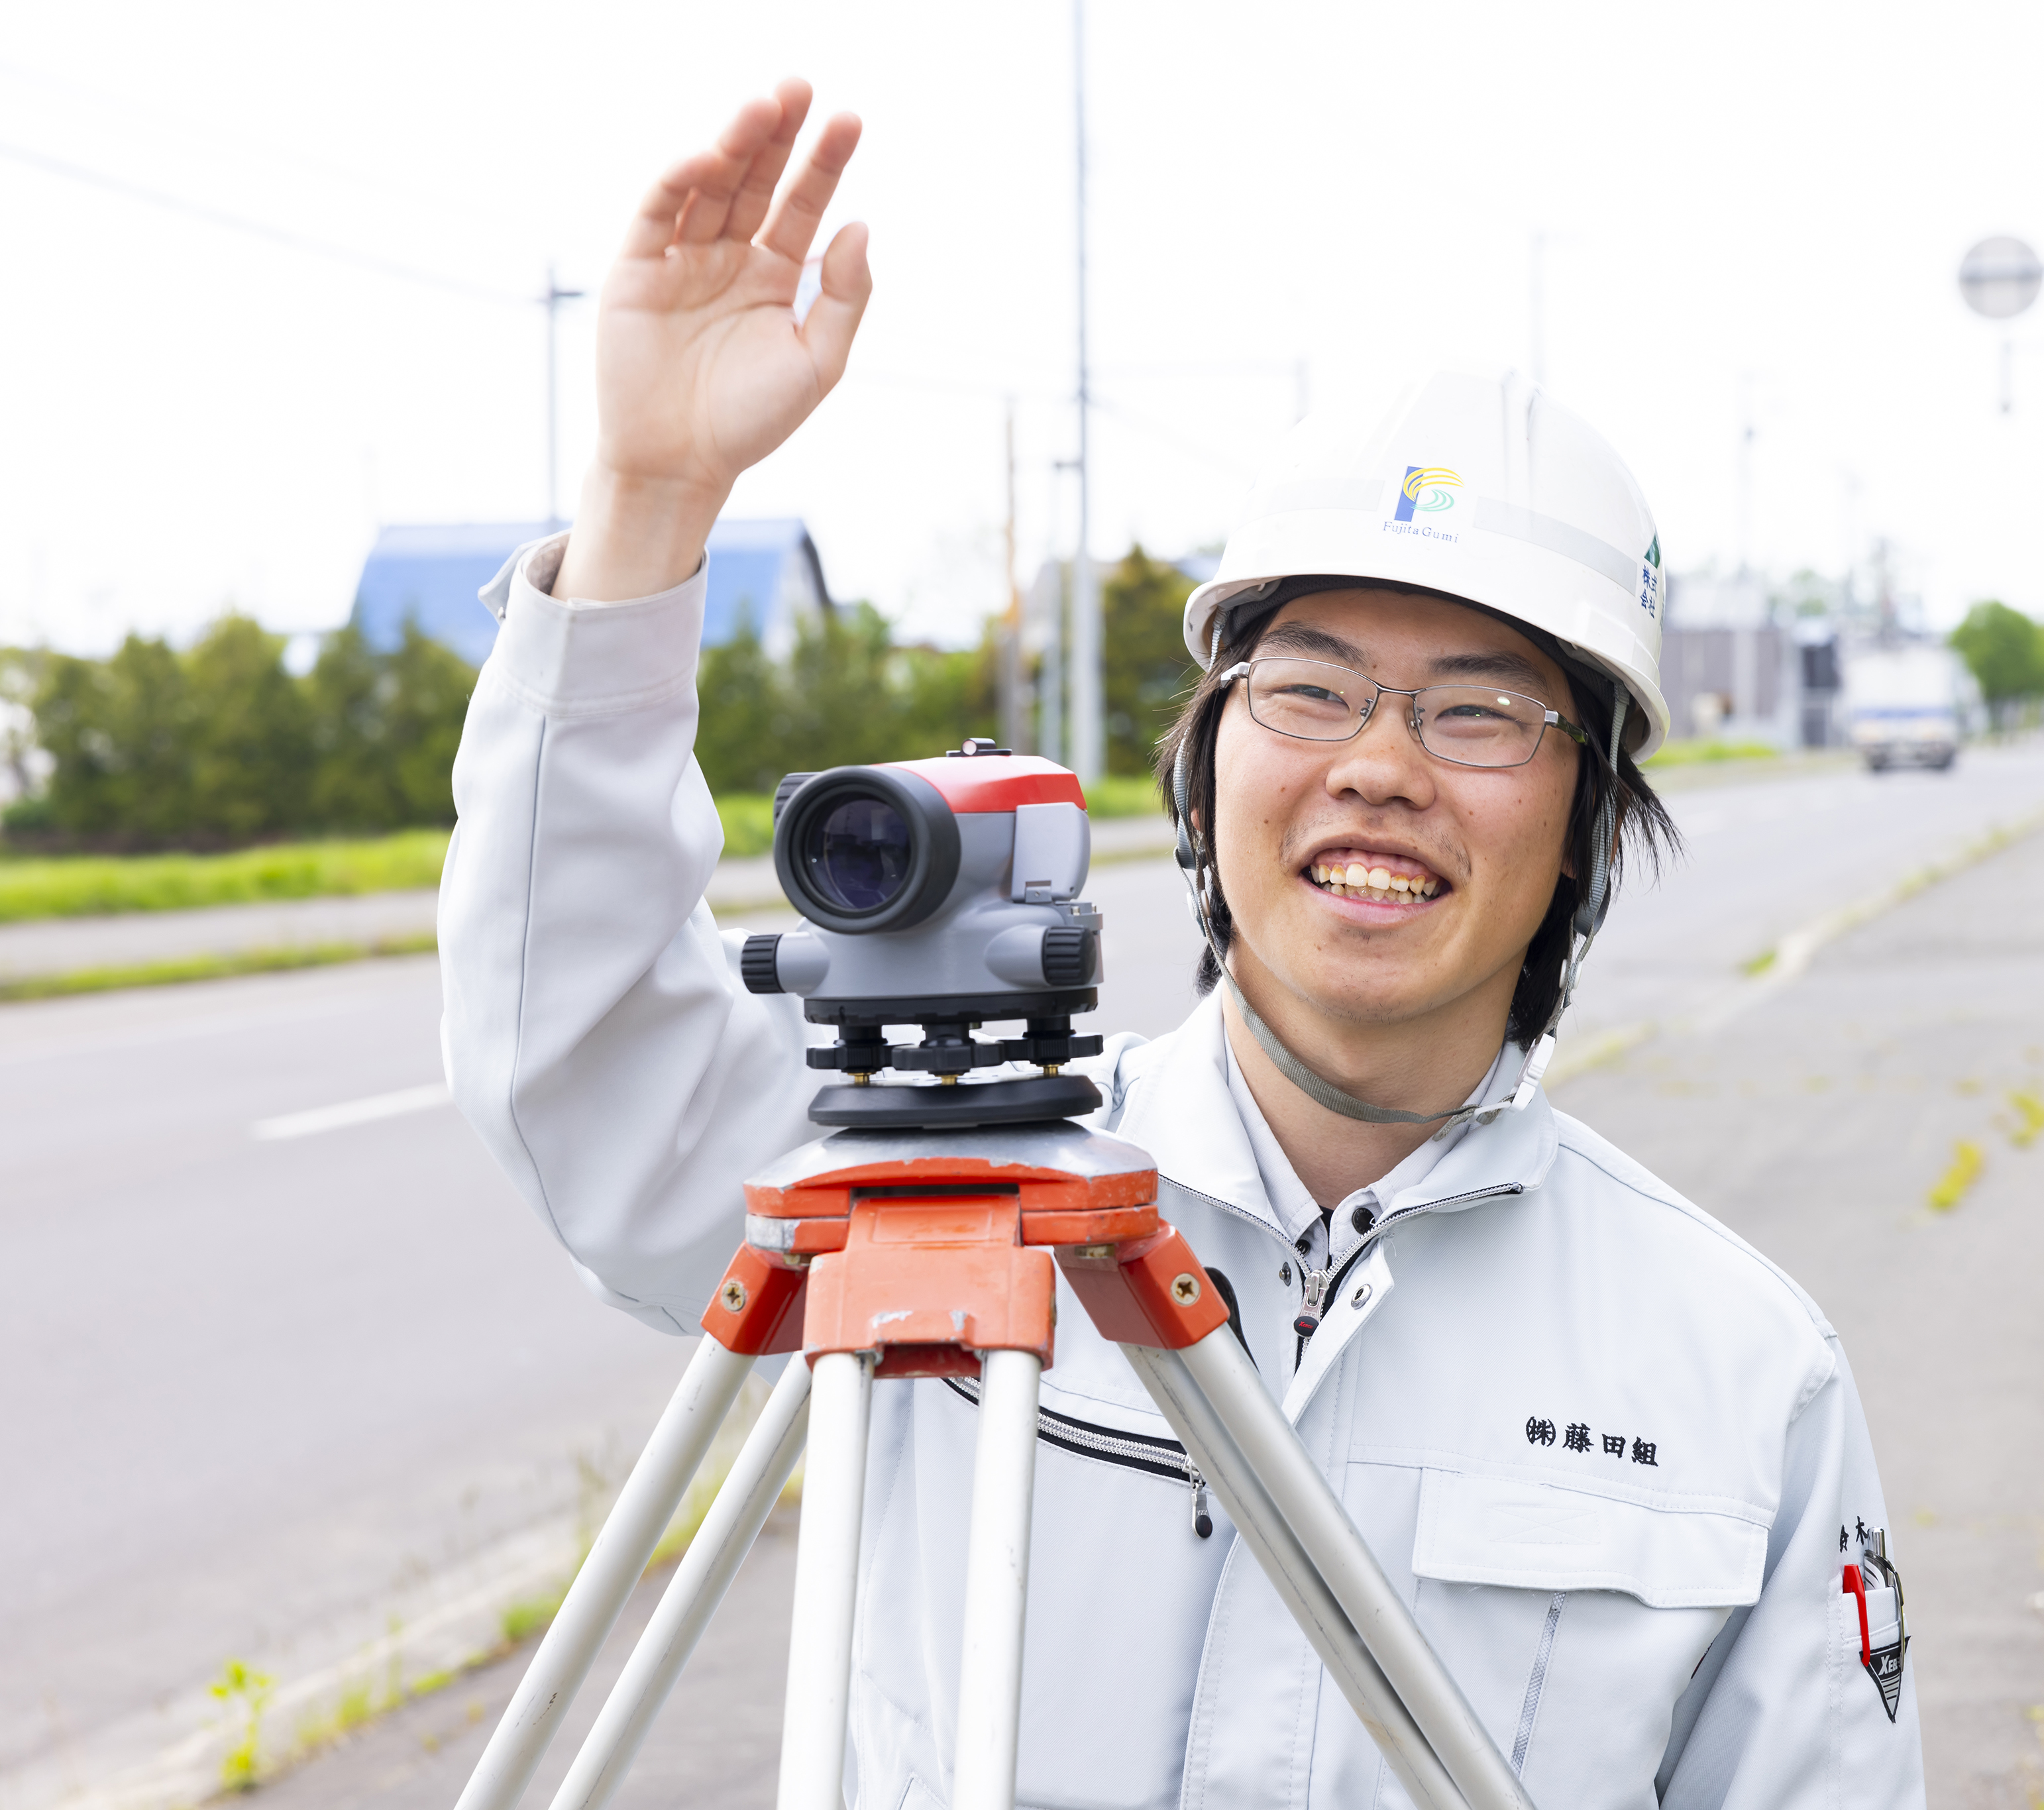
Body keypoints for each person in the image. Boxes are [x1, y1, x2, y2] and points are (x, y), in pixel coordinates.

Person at [441, 80, 1925, 1809]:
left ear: (1590, 815)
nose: (1376, 764)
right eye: (1308, 689)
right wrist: (645, 496)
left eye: (1480, 711)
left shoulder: (1741, 1370)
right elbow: (581, 1052)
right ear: (1205, 762)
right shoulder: (924, 1205)